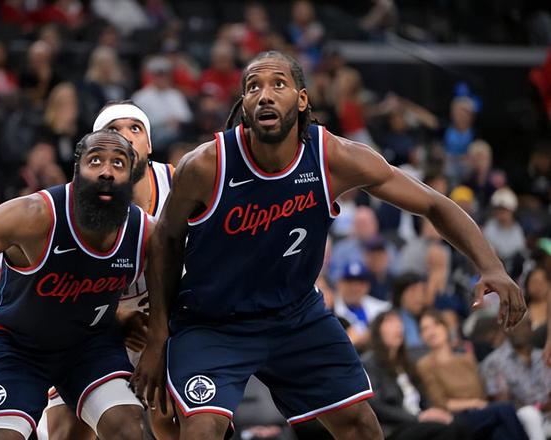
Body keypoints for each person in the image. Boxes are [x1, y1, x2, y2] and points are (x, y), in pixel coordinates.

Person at [133, 50, 525, 440]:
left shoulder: (333, 157)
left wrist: (491, 266)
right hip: (214, 320)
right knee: (200, 430)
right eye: (253, 87)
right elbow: (165, 240)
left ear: (302, 99)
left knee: (361, 425)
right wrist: (158, 336)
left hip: (294, 315)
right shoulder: (206, 165)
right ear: (244, 104)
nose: (264, 95)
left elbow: (434, 204)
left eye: (278, 84)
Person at [0, 130, 148, 440]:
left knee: (128, 429)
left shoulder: (144, 231)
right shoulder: (33, 215)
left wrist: (143, 331)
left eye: (118, 163)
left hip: (89, 347)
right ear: (76, 170)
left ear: (132, 176)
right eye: (95, 161)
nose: (106, 171)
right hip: (16, 347)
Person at [43, 101, 177, 440]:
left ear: (149, 144)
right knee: (66, 432)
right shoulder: (77, 202)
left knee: (172, 416)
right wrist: (116, 315)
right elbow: (58, 290)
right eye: (114, 130)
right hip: (96, 325)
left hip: (167, 323)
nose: (126, 136)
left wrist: (160, 332)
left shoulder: (179, 182)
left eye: (135, 128)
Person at [417, 310, 528, 440]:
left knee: (500, 432)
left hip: (482, 411)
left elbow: (482, 390)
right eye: (425, 329)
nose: (431, 331)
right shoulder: (425, 364)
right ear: (422, 337)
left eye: (436, 324)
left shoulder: (465, 359)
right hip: (456, 416)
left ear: (445, 327)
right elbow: (441, 403)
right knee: (504, 409)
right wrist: (474, 403)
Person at [362, 311, 467, 440]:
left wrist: (433, 412)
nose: (398, 326)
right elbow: (377, 407)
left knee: (458, 425)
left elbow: (424, 398)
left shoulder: (406, 362)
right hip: (395, 428)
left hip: (418, 422)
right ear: (377, 331)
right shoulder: (369, 363)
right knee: (446, 430)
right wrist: (418, 417)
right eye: (390, 322)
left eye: (399, 322)